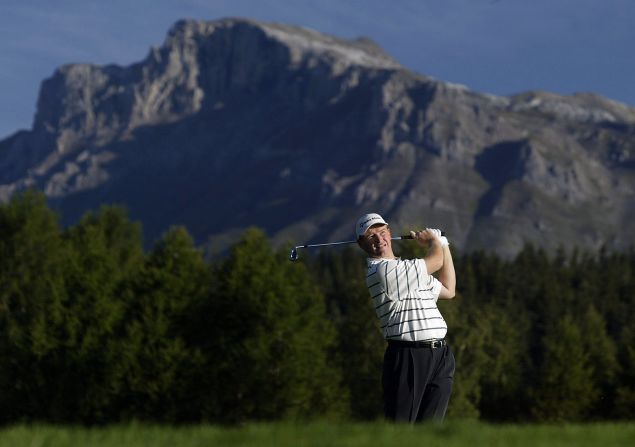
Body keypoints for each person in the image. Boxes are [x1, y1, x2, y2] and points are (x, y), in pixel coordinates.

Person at [355, 212, 456, 423]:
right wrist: (433, 241)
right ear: (361, 244)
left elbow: (449, 289)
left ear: (390, 234)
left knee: (431, 431)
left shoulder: (409, 269)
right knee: (401, 429)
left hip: (440, 356)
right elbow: (435, 262)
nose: (379, 239)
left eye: (382, 233)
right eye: (370, 237)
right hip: (407, 357)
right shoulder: (381, 271)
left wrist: (444, 244)